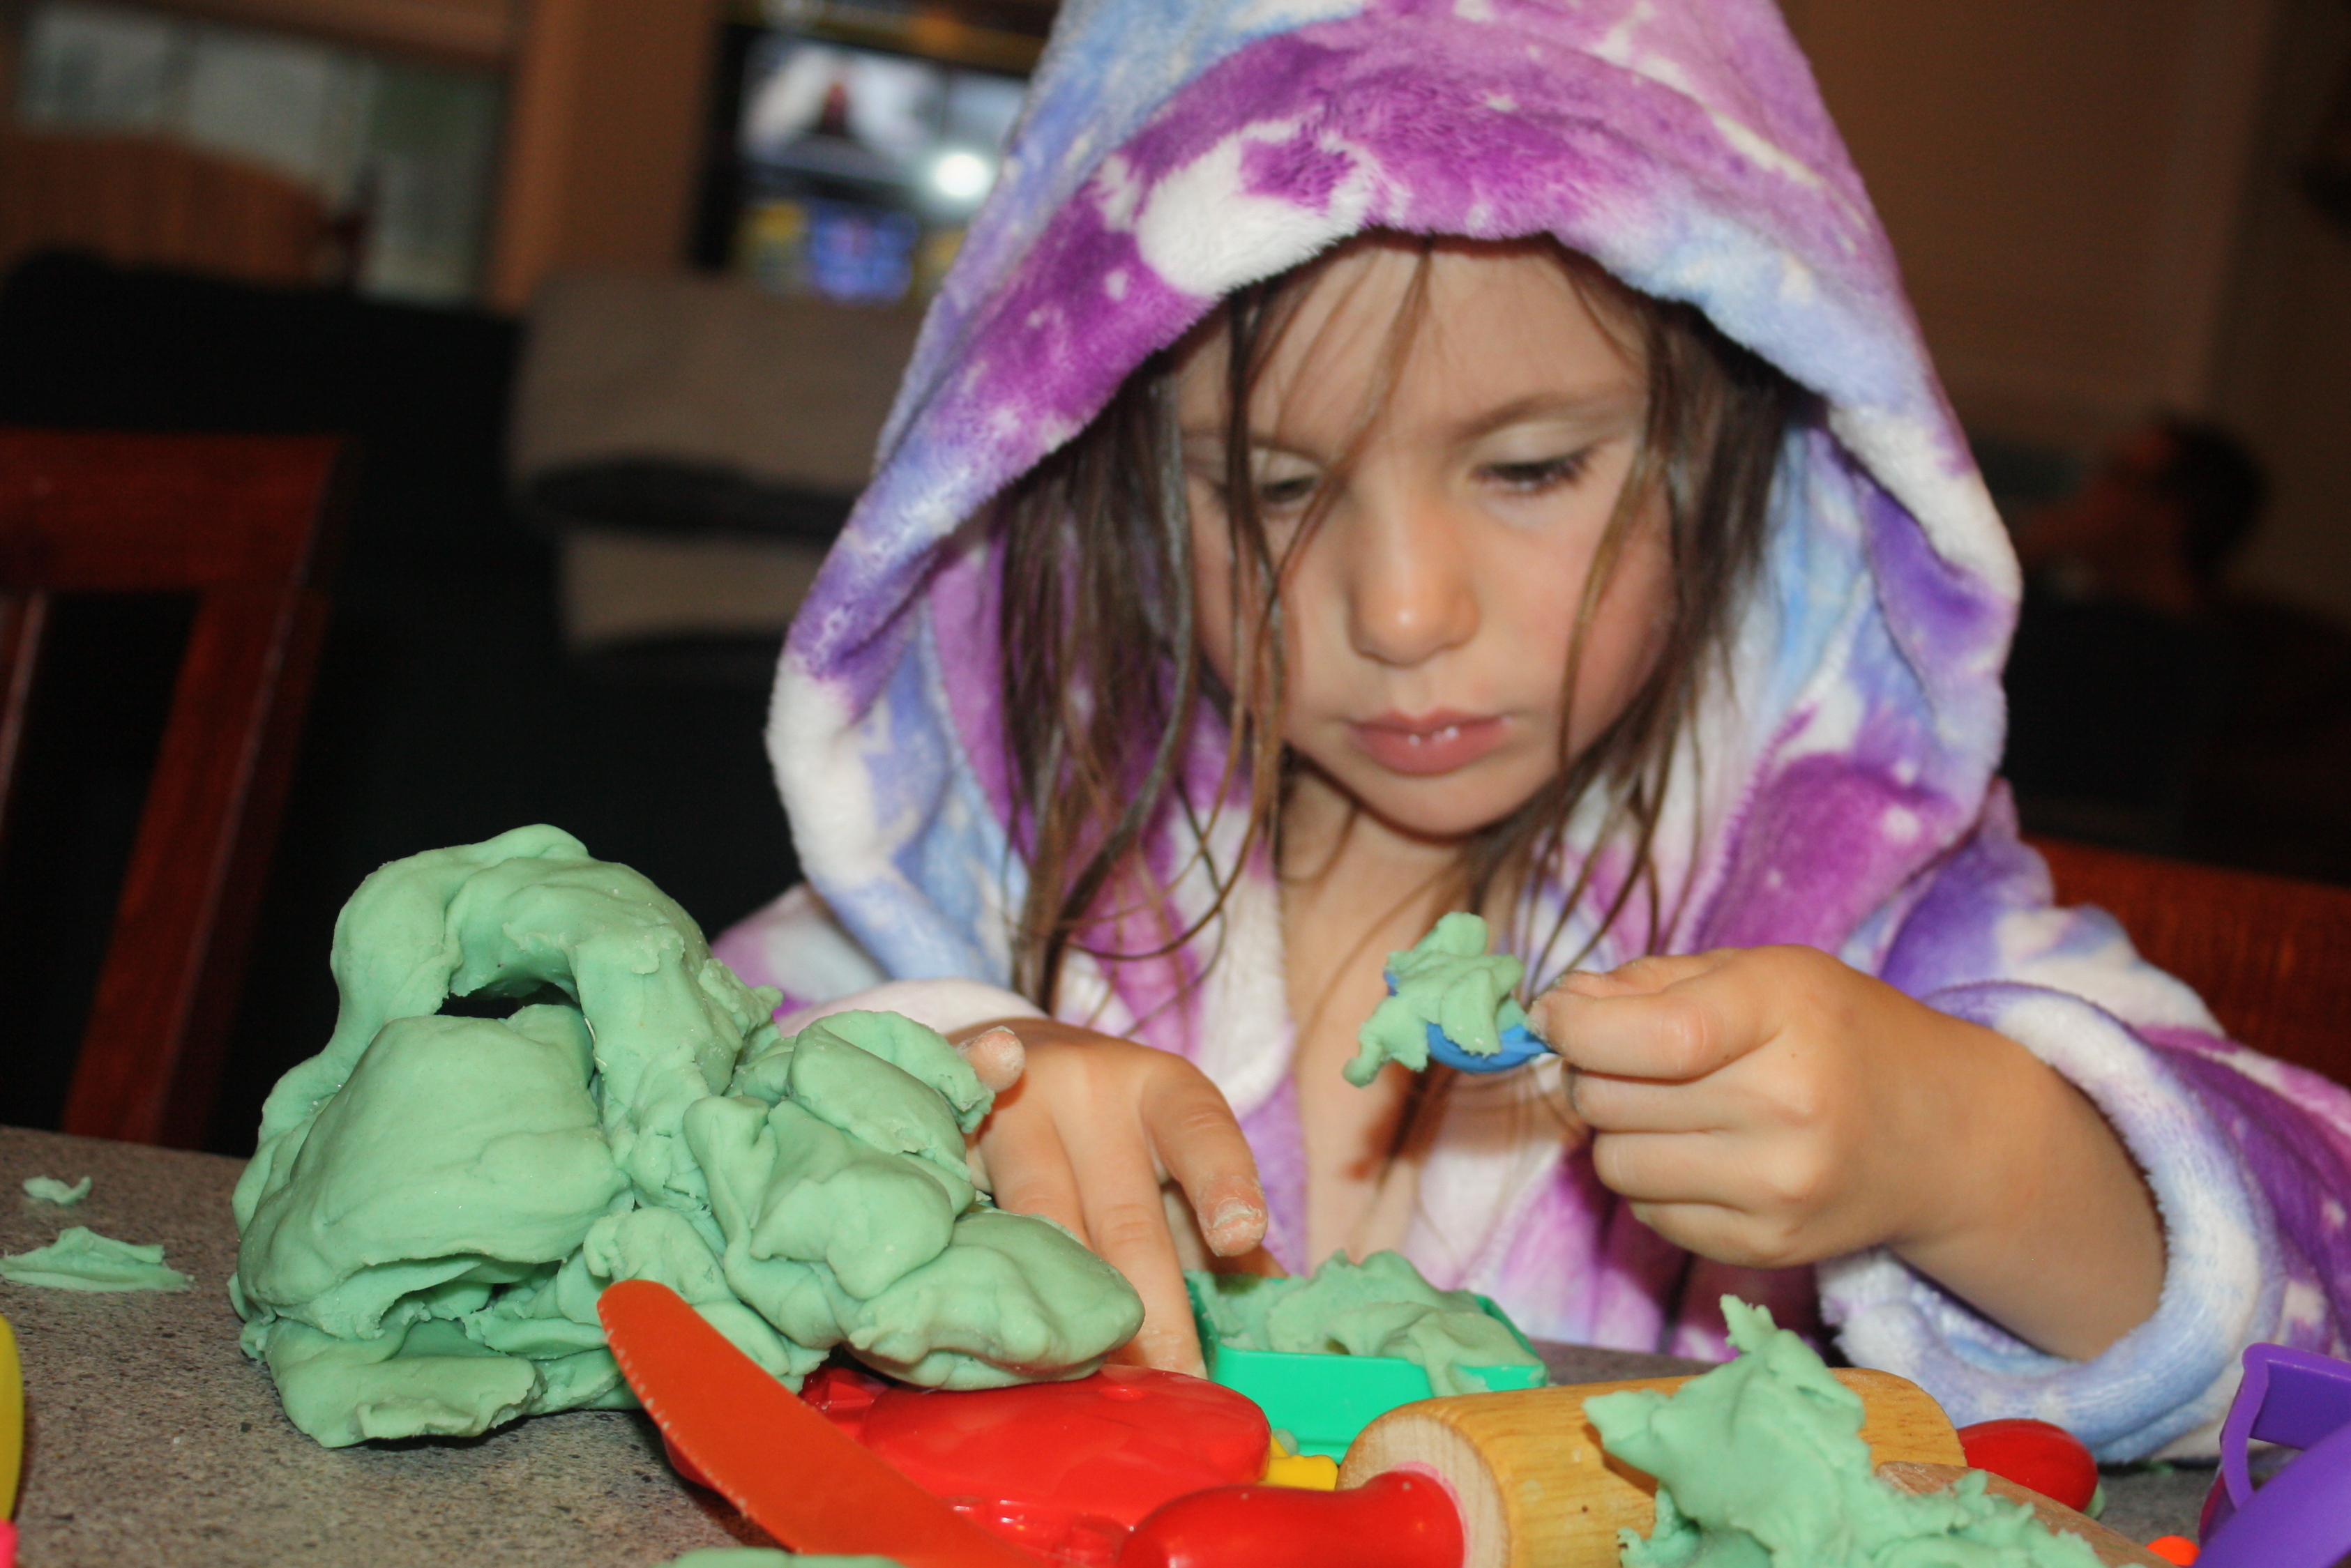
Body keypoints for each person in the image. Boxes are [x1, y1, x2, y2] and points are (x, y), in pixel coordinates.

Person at [713, 0, 2351, 1461]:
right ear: (1115, 486)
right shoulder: (992, 851)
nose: (1399, 609)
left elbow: (2317, 1280)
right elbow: (645, 1120)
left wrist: (1968, 1150)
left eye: (1527, 468)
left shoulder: (1866, 892)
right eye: (1270, 487)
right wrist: (931, 1100)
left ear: (1738, 447)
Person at [2000, 416, 2266, 850]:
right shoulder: (2061, 616)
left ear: (2169, 515)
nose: (2089, 489)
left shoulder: (2186, 659)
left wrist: (2026, 553)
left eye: (2116, 475)